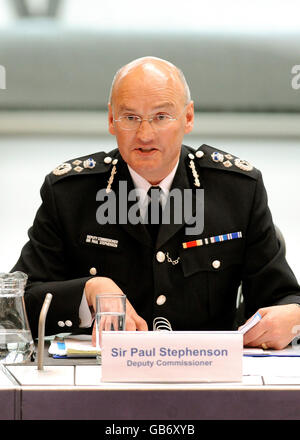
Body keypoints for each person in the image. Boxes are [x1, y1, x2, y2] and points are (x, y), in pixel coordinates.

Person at [12, 56, 300, 350]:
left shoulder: (237, 191)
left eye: (161, 117)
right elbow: (15, 307)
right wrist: (88, 290)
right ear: (111, 120)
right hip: (102, 382)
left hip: (208, 381)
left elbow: (284, 297)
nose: (145, 134)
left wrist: (294, 318)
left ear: (188, 118)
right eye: (130, 118)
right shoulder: (70, 194)